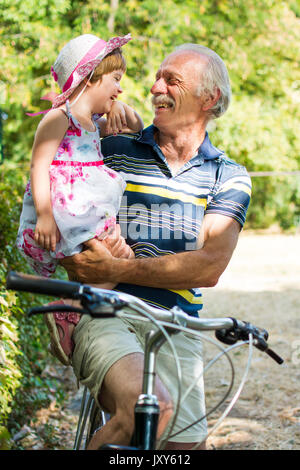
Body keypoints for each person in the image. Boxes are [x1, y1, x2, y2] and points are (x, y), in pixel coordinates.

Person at [61, 43, 252, 450]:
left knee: (186, 448)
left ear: (209, 98)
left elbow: (207, 267)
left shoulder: (228, 177)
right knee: (147, 409)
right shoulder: (114, 150)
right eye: (157, 77)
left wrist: (115, 269)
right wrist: (92, 120)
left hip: (176, 323)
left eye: (172, 79)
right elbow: (62, 195)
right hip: (106, 314)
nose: (154, 87)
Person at [16, 33, 144, 365]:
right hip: (65, 214)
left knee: (125, 259)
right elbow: (39, 165)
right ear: (90, 78)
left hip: (87, 213)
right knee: (117, 259)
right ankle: (71, 307)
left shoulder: (93, 123)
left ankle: (73, 306)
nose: (119, 88)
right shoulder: (60, 118)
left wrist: (122, 108)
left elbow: (137, 126)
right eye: (115, 80)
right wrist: (44, 215)